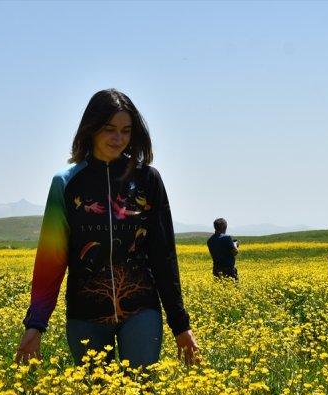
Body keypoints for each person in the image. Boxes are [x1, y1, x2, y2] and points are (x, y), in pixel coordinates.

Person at [16, 89, 200, 369]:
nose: (118, 139)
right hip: (85, 313)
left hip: (141, 308)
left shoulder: (148, 179)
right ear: (91, 129)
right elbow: (51, 260)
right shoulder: (66, 184)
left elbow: (164, 256)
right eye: (109, 129)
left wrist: (180, 325)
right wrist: (36, 324)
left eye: (126, 131)